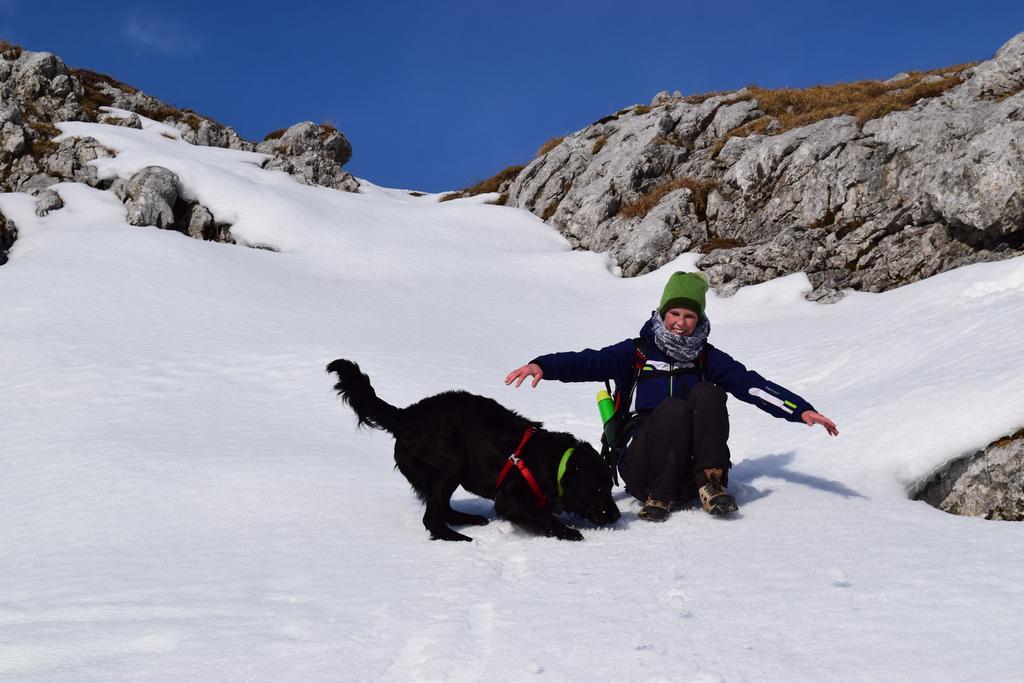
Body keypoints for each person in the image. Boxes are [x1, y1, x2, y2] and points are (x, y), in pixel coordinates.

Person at [505, 271, 838, 522]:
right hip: (642, 469)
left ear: (700, 320)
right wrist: (542, 366)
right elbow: (586, 361)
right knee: (673, 409)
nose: (680, 323)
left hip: (687, 471)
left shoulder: (706, 357)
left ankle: (711, 484)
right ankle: (658, 497)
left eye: (689, 316)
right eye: (675, 313)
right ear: (663, 313)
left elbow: (751, 384)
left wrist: (800, 411)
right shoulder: (635, 352)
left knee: (708, 393)